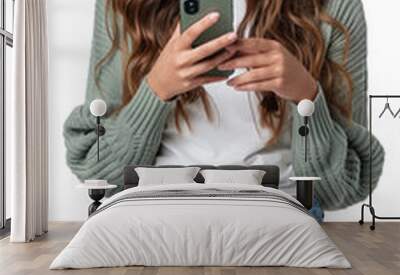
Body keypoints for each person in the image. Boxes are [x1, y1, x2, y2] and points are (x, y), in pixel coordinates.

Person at [64, 0, 384, 220]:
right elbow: (98, 172)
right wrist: (156, 90)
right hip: (154, 207)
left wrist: (306, 95)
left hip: (282, 210)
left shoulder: (333, 7)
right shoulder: (124, 5)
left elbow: (339, 188)